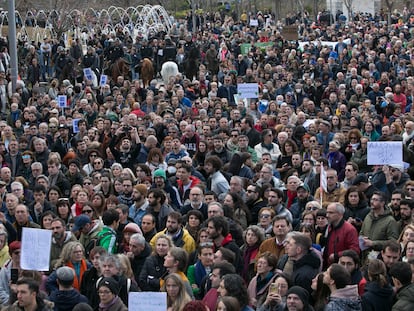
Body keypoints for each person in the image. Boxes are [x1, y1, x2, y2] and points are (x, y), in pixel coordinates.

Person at [323, 203, 359, 269]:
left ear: (340, 214)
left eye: (331, 213)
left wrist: (337, 256)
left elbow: (354, 250)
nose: (327, 215)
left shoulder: (350, 230)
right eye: (327, 212)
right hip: (330, 266)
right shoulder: (330, 227)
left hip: (343, 268)